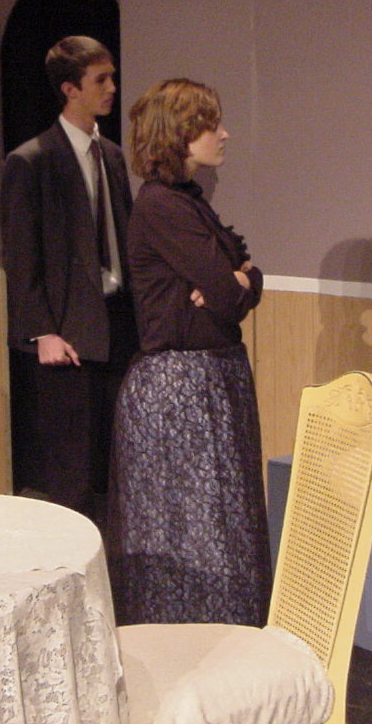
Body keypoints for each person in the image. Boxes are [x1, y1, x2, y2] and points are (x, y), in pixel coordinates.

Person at [108, 78, 271, 626]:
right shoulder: (161, 207)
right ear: (178, 134)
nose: (223, 134)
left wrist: (242, 280)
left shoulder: (189, 201)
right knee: (195, 531)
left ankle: (234, 645)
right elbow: (227, 292)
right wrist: (234, 283)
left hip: (212, 380)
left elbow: (244, 275)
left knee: (223, 524)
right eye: (209, 124)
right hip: (180, 390)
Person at [0, 35, 137, 519]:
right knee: (71, 466)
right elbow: (21, 257)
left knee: (117, 462)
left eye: (112, 77)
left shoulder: (112, 156)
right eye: (101, 80)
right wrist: (43, 331)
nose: (112, 88)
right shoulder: (32, 160)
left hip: (119, 323)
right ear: (69, 89)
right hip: (68, 334)